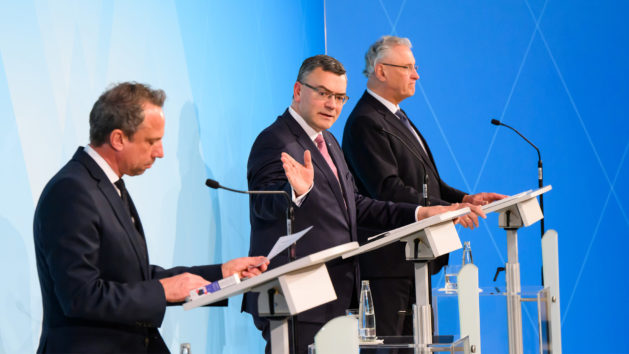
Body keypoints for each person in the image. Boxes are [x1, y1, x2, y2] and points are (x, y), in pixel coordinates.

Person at [243, 55, 484, 353]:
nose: (333, 104)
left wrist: (422, 213)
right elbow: (263, 206)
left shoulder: (328, 141)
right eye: (323, 93)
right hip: (294, 299)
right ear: (298, 91)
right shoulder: (274, 140)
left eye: (339, 96)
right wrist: (296, 192)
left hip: (333, 293)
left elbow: (356, 206)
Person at [33, 82, 269, 354]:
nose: (161, 152)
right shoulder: (71, 191)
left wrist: (221, 275)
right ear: (118, 139)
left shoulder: (106, 184)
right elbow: (79, 296)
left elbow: (133, 277)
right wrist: (161, 291)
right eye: (152, 141)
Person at [342, 35, 506, 337]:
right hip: (388, 266)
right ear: (381, 71)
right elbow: (388, 189)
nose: (416, 74)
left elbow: (427, 181)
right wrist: (449, 210)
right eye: (407, 67)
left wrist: (465, 198)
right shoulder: (366, 121)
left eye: (414, 66)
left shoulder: (395, 115)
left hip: (413, 259)